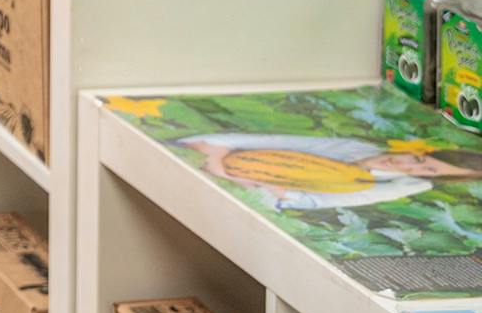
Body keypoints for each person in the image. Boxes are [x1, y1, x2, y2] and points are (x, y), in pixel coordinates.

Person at [174, 131, 482, 210]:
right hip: (233, 161)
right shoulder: (354, 147)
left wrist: (243, 179)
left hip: (264, 190)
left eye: (426, 171)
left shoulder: (371, 186)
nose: (404, 165)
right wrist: (213, 146)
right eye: (417, 159)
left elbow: (315, 202)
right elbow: (277, 141)